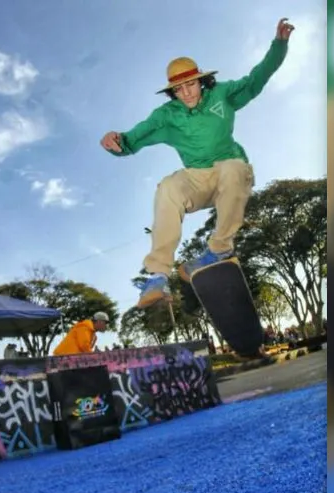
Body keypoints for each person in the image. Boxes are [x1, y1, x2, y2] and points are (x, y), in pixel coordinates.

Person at [101, 18, 295, 309]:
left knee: (232, 168)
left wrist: (279, 45)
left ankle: (218, 250)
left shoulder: (223, 94)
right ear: (173, 92)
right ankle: (157, 275)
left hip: (232, 173)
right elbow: (132, 139)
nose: (187, 93)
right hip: (197, 179)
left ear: (202, 81)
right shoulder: (166, 115)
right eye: (179, 89)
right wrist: (115, 142)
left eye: (191, 84)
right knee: (167, 187)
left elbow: (257, 79)